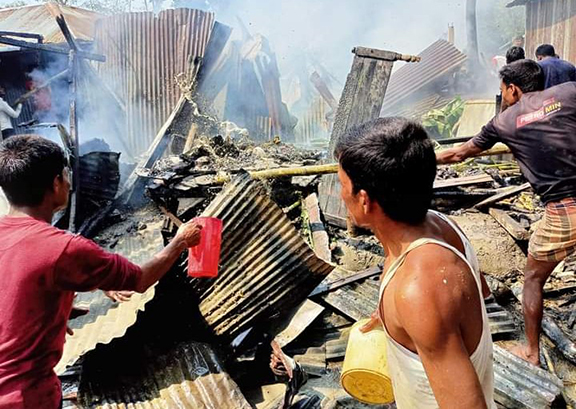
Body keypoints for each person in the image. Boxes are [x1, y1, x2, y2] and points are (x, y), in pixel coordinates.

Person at [0, 135, 202, 408]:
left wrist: (51, 310)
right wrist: (180, 242)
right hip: (25, 398)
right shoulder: (64, 248)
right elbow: (140, 279)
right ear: (56, 183)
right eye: (65, 173)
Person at [337, 118, 495, 408]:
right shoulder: (439, 226)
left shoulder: (421, 288)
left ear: (364, 199)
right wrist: (394, 316)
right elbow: (476, 293)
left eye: (342, 184)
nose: (339, 194)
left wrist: (418, 311)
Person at [437, 59, 576, 366]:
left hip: (564, 212)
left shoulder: (503, 122)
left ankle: (531, 351)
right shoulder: (569, 92)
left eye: (503, 90)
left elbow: (458, 153)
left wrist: (425, 157)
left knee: (532, 281)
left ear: (513, 89)